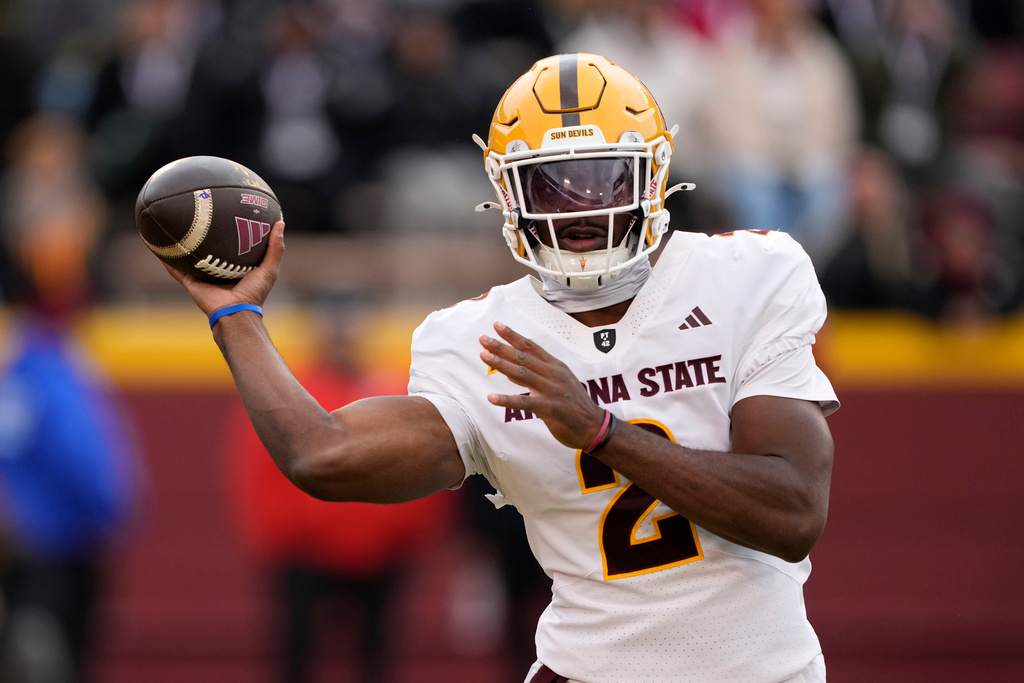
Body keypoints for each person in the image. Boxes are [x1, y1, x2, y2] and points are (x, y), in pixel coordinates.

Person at [164, 53, 838, 683]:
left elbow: (793, 512)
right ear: (507, 192)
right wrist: (236, 318)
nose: (581, 206)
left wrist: (603, 431)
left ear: (654, 174)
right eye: (550, 183)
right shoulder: (476, 340)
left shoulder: (747, 275)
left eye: (606, 177)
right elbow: (322, 455)